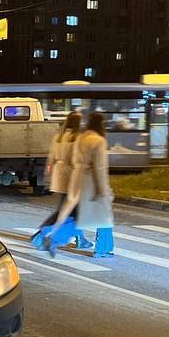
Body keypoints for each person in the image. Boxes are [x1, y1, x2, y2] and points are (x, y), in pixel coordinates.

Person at [45, 111, 115, 258]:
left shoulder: (81, 138)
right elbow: (99, 168)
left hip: (76, 177)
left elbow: (73, 159)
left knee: (76, 214)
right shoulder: (99, 141)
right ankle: (103, 249)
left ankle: (54, 237)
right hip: (91, 180)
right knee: (104, 216)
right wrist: (103, 190)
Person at [30, 112, 90, 249]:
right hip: (73, 174)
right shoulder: (78, 138)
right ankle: (44, 234)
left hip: (59, 174)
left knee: (67, 208)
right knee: (74, 211)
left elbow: (51, 157)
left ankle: (78, 238)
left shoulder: (59, 137)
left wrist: (48, 173)